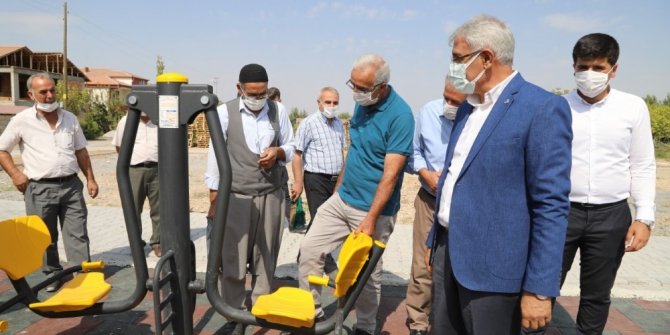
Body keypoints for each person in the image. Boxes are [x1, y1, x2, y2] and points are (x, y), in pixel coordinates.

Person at [427, 15, 572, 334]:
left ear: (486, 58)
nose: (452, 68)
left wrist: (539, 289)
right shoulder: (468, 106)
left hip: (496, 272)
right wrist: (435, 245)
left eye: (457, 59)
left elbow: (551, 206)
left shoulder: (542, 108)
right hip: (448, 256)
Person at [297, 54, 414, 335]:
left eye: (362, 88)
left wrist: (372, 218)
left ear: (382, 86)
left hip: (372, 210)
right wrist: (337, 190)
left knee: (367, 275)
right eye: (354, 85)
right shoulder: (364, 105)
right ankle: (309, 315)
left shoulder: (401, 116)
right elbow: (354, 151)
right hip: (342, 199)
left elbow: (391, 174)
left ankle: (365, 327)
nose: (355, 93)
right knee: (309, 250)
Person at [558, 33, 656, 335]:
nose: (590, 74)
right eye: (583, 66)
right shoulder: (557, 107)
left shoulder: (633, 107)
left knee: (597, 296)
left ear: (614, 69)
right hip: (560, 212)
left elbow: (642, 164)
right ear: (573, 67)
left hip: (610, 215)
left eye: (598, 68)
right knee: (540, 287)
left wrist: (644, 217)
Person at [205, 64, 294, 335]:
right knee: (233, 254)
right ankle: (233, 309)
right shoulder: (223, 113)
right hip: (236, 196)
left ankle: (261, 305)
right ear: (239, 89)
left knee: (266, 255)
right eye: (253, 94)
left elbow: (291, 146)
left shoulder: (279, 111)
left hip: (270, 194)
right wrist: (214, 198)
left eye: (263, 93)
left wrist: (278, 152)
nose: (258, 99)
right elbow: (215, 156)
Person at [0, 72, 99, 292]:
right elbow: (2, 150)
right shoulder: (21, 121)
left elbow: (81, 151)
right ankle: (52, 275)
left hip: (72, 186)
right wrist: (16, 175)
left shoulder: (70, 118)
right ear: (31, 94)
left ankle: (83, 275)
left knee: (77, 232)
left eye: (52, 90)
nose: (49, 95)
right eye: (43, 91)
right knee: (44, 237)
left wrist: (90, 179)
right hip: (39, 188)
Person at [405, 82, 466, 335]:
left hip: (463, 205)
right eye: (446, 98)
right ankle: (418, 322)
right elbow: (414, 152)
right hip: (430, 200)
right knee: (422, 264)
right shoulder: (428, 112)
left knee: (459, 265)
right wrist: (424, 172)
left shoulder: (480, 118)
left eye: (456, 102)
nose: (449, 106)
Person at [290, 86, 345, 231]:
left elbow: (341, 152)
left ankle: (327, 253)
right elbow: (297, 155)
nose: (331, 106)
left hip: (337, 181)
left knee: (335, 220)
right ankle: (310, 253)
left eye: (335, 103)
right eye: (328, 102)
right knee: (320, 221)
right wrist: (298, 182)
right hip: (316, 180)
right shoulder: (309, 123)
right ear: (319, 103)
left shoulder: (339, 124)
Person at [111, 111, 161, 257]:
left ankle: (158, 242)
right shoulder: (126, 121)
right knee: (133, 209)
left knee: (159, 209)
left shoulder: (159, 120)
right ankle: (136, 244)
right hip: (134, 170)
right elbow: (119, 147)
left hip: (158, 170)